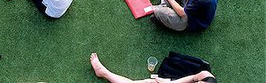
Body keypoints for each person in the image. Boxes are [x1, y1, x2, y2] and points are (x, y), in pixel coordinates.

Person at [90, 54, 218, 83]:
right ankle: (103, 73)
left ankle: (104, 73)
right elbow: (193, 77)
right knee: (149, 82)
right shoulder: (206, 76)